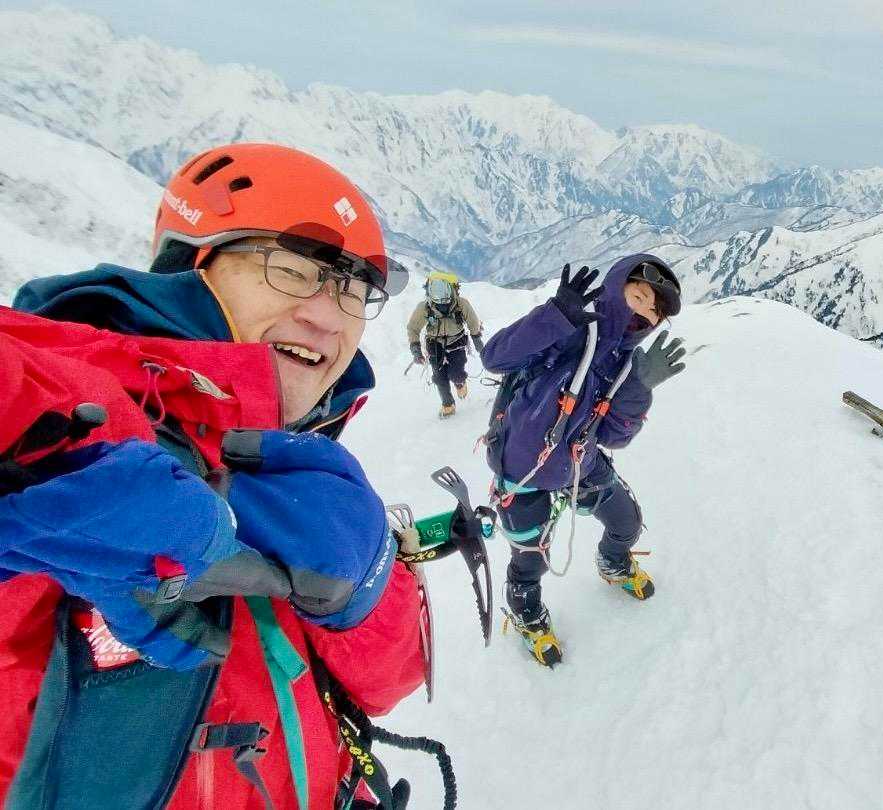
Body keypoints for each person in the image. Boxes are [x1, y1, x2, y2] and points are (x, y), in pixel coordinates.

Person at [0, 142, 426, 809]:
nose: (328, 315)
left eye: (352, 288)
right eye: (292, 269)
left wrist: (367, 588)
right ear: (191, 270)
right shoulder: (83, 410)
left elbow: (387, 686)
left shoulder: (304, 457)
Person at [480, 255, 686, 666]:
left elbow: (613, 436)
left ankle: (613, 562)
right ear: (615, 287)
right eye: (639, 296)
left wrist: (639, 387)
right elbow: (494, 357)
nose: (644, 312)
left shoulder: (629, 364)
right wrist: (554, 317)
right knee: (531, 561)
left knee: (627, 522)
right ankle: (526, 613)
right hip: (523, 472)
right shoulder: (569, 329)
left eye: (653, 310)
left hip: (580, 466)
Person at [407, 271, 486, 417]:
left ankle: (459, 382)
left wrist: (477, 339)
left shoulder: (461, 304)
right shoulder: (424, 307)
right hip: (434, 343)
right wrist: (415, 349)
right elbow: (413, 328)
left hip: (456, 341)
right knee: (439, 376)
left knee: (456, 373)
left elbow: (473, 321)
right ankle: (448, 404)